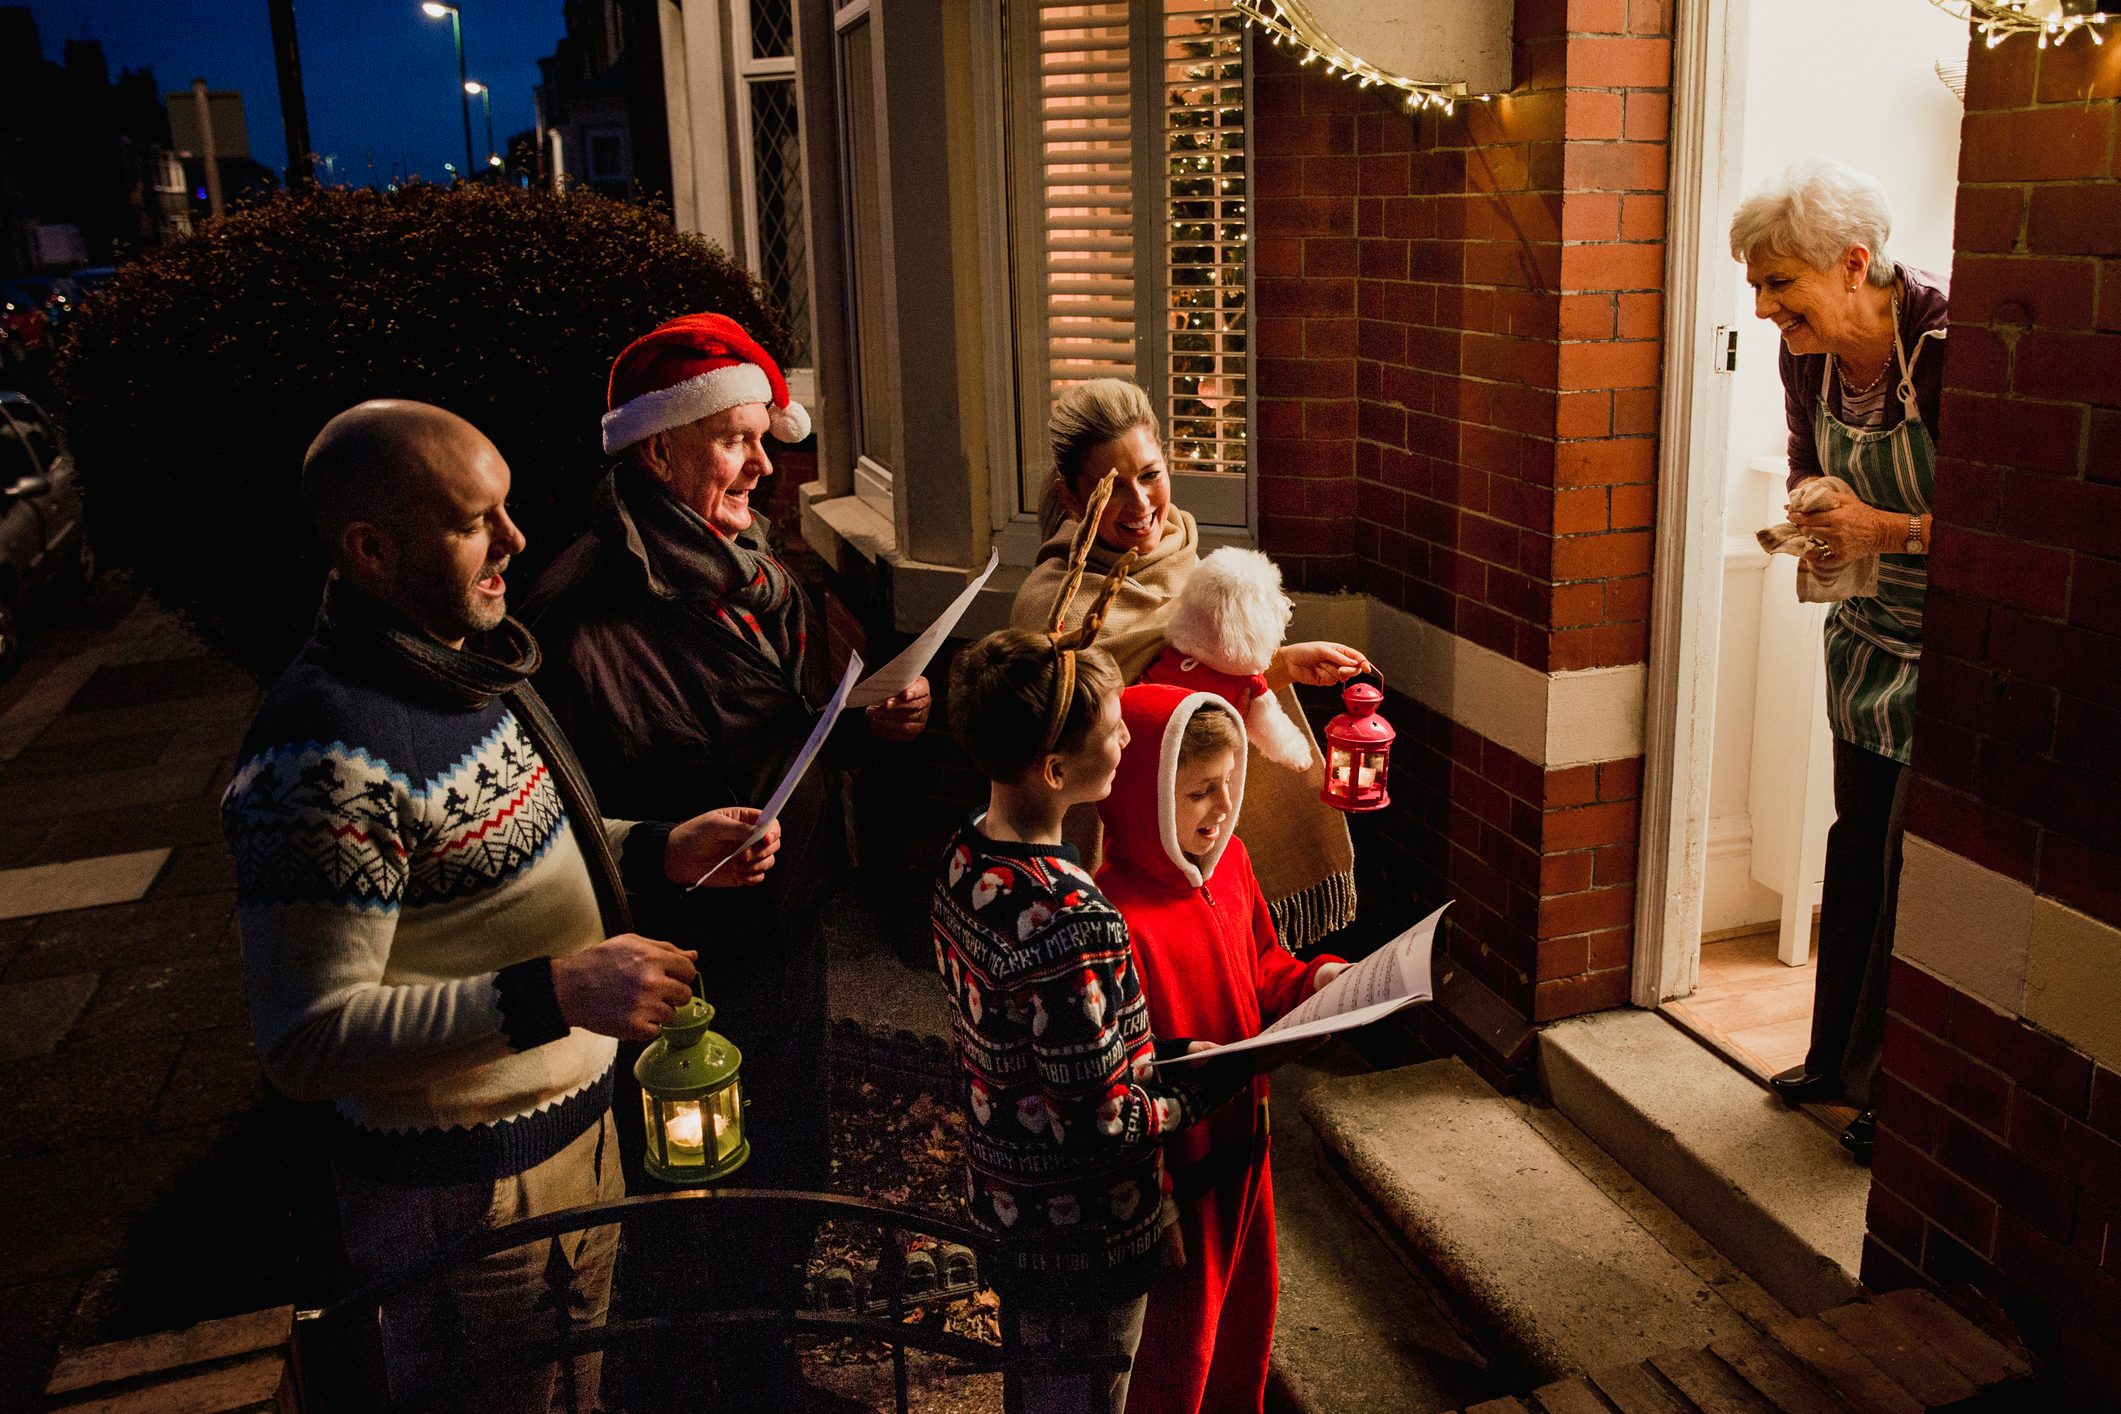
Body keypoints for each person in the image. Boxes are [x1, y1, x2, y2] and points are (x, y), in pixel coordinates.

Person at [223, 399, 781, 1411]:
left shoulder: (457, 666)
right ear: (371, 548)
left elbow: (500, 847)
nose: (516, 542)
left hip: (569, 1135)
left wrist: (657, 845)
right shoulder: (319, 753)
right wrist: (560, 989)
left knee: (578, 1388)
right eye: (477, 520)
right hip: (462, 1194)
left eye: (508, 509)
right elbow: (305, 1039)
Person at [521, 312, 927, 1402]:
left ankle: (764, 1370)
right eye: (738, 439)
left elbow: (779, 725)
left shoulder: (758, 576)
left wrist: (866, 722)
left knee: (789, 1168)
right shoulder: (579, 609)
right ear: (657, 449)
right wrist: (662, 850)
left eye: (766, 436)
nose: (766, 464)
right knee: (689, 1203)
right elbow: (553, 820)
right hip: (679, 965)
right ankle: (689, 1387)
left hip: (780, 932)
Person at [938, 483, 1250, 1414]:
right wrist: (1200, 1078)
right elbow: (1097, 1117)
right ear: (1056, 769)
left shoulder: (962, 859)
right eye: (1110, 730)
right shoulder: (1073, 915)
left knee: (1035, 1386)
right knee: (1083, 1394)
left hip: (1004, 1203)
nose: (1127, 734)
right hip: (1084, 1230)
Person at [1730, 158, 1947, 1163]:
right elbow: (1807, 453)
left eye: (1781, 284)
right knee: (1858, 843)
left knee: (1919, 869)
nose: (1764, 303)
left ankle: (1897, 1095)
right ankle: (1835, 1061)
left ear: (1854, 263)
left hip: (1948, 647)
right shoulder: (1809, 359)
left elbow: (2003, 524)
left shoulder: (1951, 347)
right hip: (1866, 641)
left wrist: (1887, 528)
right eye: (1759, 284)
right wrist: (1817, 504)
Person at [1010, 379, 1369, 952]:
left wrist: (1281, 666)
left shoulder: (1185, 557)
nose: (1141, 505)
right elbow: (1138, 709)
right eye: (1113, 488)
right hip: (1122, 854)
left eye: (1150, 475)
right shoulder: (1051, 607)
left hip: (1207, 821)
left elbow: (1195, 680)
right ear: (1073, 498)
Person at [1094, 687, 1347, 1414]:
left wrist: (1317, 982)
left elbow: (1263, 969)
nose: (1218, 808)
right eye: (1197, 792)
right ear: (1142, 793)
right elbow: (1114, 1076)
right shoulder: (1115, 915)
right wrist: (1156, 1201)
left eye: (1228, 787)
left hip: (1245, 1147)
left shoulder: (1231, 863)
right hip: (1179, 1169)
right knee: (1178, 1351)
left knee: (1244, 1324)